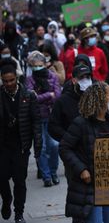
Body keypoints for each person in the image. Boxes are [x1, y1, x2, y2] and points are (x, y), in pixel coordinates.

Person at [59, 81, 109, 223]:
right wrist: (82, 170)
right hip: (89, 188)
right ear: (101, 99)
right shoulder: (81, 123)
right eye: (108, 95)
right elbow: (64, 147)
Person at [0, 58, 42, 223]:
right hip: (2, 146)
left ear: (16, 79)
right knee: (2, 178)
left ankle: (19, 213)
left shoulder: (28, 96)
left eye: (11, 80)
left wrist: (38, 146)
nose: (9, 84)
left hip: (21, 146)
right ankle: (6, 200)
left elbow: (36, 122)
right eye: (5, 81)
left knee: (19, 181)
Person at [25, 51, 61, 187]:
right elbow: (31, 98)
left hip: (52, 117)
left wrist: (43, 96)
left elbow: (57, 95)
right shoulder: (29, 79)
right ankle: (46, 176)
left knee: (54, 146)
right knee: (42, 147)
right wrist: (48, 95)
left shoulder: (53, 76)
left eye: (39, 65)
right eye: (34, 66)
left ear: (45, 64)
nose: (37, 68)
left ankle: (53, 172)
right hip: (37, 118)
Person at [49, 63, 92, 142]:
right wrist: (68, 137)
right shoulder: (62, 101)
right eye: (81, 77)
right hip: (70, 148)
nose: (85, 80)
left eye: (88, 77)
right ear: (74, 80)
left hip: (90, 146)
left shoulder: (95, 99)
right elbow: (53, 126)